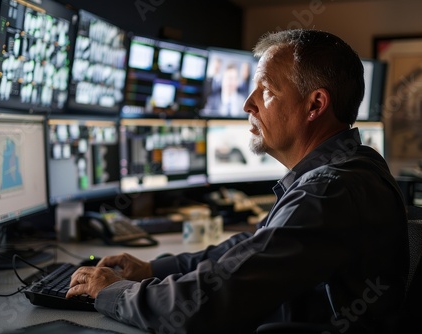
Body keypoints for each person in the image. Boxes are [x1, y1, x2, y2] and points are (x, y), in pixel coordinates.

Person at [66, 29, 409, 333]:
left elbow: (205, 306)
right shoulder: (347, 170)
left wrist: (110, 290)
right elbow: (252, 249)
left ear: (315, 104)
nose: (248, 104)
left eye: (266, 91)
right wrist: (151, 267)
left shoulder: (331, 190)